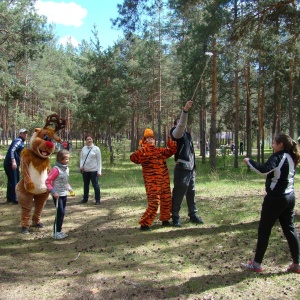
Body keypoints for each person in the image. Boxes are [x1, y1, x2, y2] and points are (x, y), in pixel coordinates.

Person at [241, 133, 300, 274]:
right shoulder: (292, 156)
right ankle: (297, 264)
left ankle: (256, 264)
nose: (272, 145)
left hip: (276, 199)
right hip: (290, 197)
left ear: (280, 144)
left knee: (264, 231)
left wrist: (249, 161)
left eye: (274, 143)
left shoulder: (278, 156)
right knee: (290, 230)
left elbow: (264, 170)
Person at [130, 129, 177, 231]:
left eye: (152, 138)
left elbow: (172, 151)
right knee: (154, 202)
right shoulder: (143, 152)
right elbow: (133, 158)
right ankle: (144, 224)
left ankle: (165, 219)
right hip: (152, 182)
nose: (150, 140)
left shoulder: (159, 151)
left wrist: (170, 141)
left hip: (164, 181)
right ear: (144, 140)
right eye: (148, 138)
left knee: (166, 200)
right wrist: (144, 148)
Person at [170, 100, 203, 227]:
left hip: (190, 169)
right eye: (179, 123)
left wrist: (194, 168)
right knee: (179, 192)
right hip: (181, 169)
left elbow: (191, 154)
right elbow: (182, 125)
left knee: (191, 192)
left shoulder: (187, 135)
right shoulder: (175, 133)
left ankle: (193, 215)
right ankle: (175, 217)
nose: (182, 124)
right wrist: (185, 111)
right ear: (175, 125)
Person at [45, 149, 74, 239]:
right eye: (66, 159)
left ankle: (59, 231)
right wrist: (53, 192)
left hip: (63, 193)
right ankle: (55, 232)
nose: (67, 161)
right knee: (59, 212)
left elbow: (65, 182)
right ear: (60, 159)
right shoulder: (55, 170)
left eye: (68, 159)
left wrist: (70, 189)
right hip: (57, 195)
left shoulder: (66, 169)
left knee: (62, 212)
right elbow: (47, 182)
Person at [3, 128, 28, 204]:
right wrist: (13, 161)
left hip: (10, 163)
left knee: (12, 180)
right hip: (11, 163)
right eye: (23, 133)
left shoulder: (21, 142)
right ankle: (15, 199)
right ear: (20, 134)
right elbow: (12, 150)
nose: (25, 134)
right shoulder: (18, 140)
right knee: (14, 180)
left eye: (26, 133)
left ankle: (10, 198)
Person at [79, 134, 102, 205]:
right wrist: (81, 166)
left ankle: (97, 200)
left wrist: (99, 171)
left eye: (90, 139)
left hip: (94, 170)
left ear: (92, 140)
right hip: (85, 170)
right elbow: (82, 158)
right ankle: (85, 199)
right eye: (87, 139)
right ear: (85, 141)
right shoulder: (84, 148)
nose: (89, 140)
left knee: (95, 185)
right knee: (86, 185)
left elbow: (99, 161)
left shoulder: (96, 149)